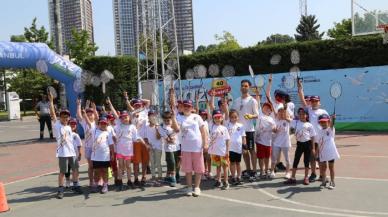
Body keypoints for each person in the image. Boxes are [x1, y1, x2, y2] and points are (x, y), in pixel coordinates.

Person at [48, 92, 81, 199]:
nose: (65, 118)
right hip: (62, 153)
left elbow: (72, 141)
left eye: (66, 117)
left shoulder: (69, 127)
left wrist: (78, 151)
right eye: (63, 116)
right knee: (63, 172)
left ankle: (75, 186)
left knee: (75, 169)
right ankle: (61, 189)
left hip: (72, 153)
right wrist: (51, 101)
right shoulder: (57, 125)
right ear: (60, 117)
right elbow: (53, 114)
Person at [298, 78, 329, 182]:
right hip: (312, 140)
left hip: (322, 139)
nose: (314, 102)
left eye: (316, 101)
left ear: (319, 102)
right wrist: (300, 87)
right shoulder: (308, 110)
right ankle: (313, 174)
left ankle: (322, 175)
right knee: (312, 158)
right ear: (310, 102)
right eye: (312, 101)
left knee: (322, 159)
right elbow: (302, 99)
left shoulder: (323, 111)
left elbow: (328, 125)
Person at [177, 100, 208, 197]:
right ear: (182, 107)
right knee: (188, 169)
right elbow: (177, 128)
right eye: (185, 106)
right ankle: (189, 187)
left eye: (188, 106)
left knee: (198, 168)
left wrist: (205, 143)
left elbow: (203, 132)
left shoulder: (197, 117)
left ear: (192, 108)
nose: (187, 107)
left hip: (197, 147)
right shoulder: (179, 117)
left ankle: (197, 187)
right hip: (186, 147)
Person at [232, 80, 259, 181]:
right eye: (242, 86)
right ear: (240, 88)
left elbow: (257, 115)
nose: (244, 87)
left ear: (249, 87)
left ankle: (254, 171)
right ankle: (248, 170)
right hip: (239, 131)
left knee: (252, 150)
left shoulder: (253, 100)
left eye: (246, 86)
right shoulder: (236, 101)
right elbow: (233, 114)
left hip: (249, 130)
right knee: (244, 151)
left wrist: (251, 116)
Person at [84, 114, 114, 194]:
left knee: (105, 171)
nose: (103, 125)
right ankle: (96, 184)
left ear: (107, 124)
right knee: (96, 171)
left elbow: (111, 145)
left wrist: (112, 154)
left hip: (105, 156)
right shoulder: (94, 131)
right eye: (101, 123)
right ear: (98, 124)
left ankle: (105, 185)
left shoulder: (108, 133)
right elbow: (89, 122)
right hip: (95, 157)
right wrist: (85, 113)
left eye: (104, 123)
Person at [285, 108, 316, 185]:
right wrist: (285, 108)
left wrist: (313, 148)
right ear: (298, 115)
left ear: (306, 115)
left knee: (306, 161)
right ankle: (292, 178)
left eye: (303, 114)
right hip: (299, 144)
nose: (301, 115)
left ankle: (306, 178)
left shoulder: (309, 125)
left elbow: (312, 137)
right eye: (300, 114)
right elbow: (286, 118)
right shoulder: (295, 122)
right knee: (296, 160)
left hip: (308, 144)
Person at [113, 110, 143, 191]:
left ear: (129, 117)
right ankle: (120, 181)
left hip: (128, 150)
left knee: (128, 166)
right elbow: (115, 115)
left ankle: (129, 181)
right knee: (120, 166)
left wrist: (140, 141)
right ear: (120, 119)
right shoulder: (118, 126)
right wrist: (110, 105)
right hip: (120, 149)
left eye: (126, 117)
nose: (124, 118)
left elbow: (135, 137)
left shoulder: (132, 127)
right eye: (122, 117)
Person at [77, 99, 98, 187]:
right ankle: (91, 181)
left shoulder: (97, 124)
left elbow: (97, 116)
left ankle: (97, 181)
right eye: (88, 114)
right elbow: (79, 115)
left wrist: (94, 108)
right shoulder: (85, 124)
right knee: (91, 166)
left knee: (96, 166)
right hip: (88, 148)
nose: (89, 116)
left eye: (91, 114)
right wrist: (79, 105)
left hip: (96, 148)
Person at [208, 110, 231, 190]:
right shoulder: (211, 127)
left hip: (223, 151)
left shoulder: (224, 128)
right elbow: (209, 113)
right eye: (216, 118)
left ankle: (226, 182)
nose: (217, 119)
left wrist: (227, 150)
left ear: (222, 118)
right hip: (215, 151)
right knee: (217, 166)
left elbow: (227, 140)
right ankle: (219, 180)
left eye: (219, 117)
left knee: (225, 167)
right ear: (213, 119)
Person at [316, 114, 340, 189]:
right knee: (323, 168)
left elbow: (332, 125)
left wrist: (333, 119)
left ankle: (332, 182)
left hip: (331, 152)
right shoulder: (319, 132)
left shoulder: (330, 130)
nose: (323, 123)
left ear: (328, 122)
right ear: (319, 123)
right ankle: (323, 181)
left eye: (325, 122)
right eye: (321, 122)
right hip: (322, 152)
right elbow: (318, 143)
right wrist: (317, 153)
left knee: (331, 167)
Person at [269, 104, 292, 179]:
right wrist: (274, 130)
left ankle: (288, 172)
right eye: (280, 111)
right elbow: (273, 129)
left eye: (283, 111)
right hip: (276, 143)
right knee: (274, 158)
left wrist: (286, 116)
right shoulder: (275, 121)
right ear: (277, 113)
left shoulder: (288, 120)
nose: (281, 113)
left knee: (287, 159)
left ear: (285, 112)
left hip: (285, 143)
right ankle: (272, 171)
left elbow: (289, 119)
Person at [158, 110, 180, 187]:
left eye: (168, 120)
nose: (167, 121)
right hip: (168, 148)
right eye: (165, 120)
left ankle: (171, 176)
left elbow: (178, 130)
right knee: (171, 162)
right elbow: (167, 139)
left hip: (177, 146)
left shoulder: (175, 124)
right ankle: (173, 177)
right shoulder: (161, 127)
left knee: (176, 162)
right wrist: (170, 138)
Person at [224, 109, 246, 185]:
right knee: (232, 163)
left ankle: (239, 177)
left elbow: (243, 137)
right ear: (229, 117)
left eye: (235, 117)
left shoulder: (241, 126)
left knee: (238, 163)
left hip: (238, 148)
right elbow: (226, 112)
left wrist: (244, 147)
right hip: (230, 148)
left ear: (238, 117)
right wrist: (225, 105)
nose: (234, 119)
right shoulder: (227, 124)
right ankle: (233, 177)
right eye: (232, 117)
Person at [255, 102, 276, 179]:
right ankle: (261, 171)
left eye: (268, 108)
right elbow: (257, 128)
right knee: (261, 158)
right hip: (260, 141)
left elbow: (274, 130)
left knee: (267, 157)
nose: (266, 109)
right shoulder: (260, 117)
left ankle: (267, 171)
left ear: (270, 111)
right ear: (262, 109)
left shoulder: (271, 119)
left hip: (268, 142)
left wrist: (275, 129)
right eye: (265, 107)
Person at [144, 110, 163, 182]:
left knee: (158, 162)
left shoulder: (158, 126)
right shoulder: (146, 127)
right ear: (148, 117)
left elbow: (158, 137)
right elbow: (145, 138)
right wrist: (148, 145)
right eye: (150, 116)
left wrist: (156, 128)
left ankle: (160, 176)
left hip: (158, 146)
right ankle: (153, 176)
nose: (152, 117)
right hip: (150, 147)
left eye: (154, 115)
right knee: (152, 162)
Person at [64, 118, 83, 192]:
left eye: (74, 124)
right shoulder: (65, 133)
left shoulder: (76, 135)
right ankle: (68, 180)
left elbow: (79, 145)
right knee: (67, 169)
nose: (73, 125)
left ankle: (76, 182)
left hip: (74, 155)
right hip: (66, 155)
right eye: (71, 123)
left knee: (75, 169)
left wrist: (80, 153)